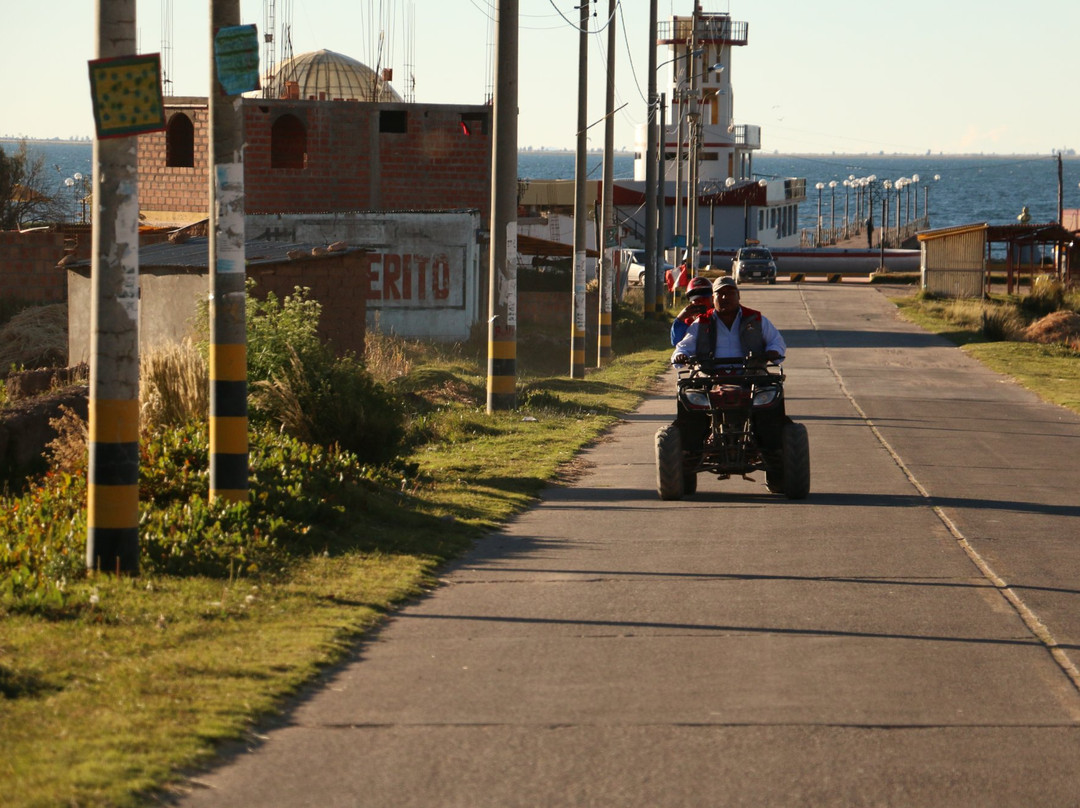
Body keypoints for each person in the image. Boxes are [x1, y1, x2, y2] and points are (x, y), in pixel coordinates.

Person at [670, 276, 787, 461]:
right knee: (689, 403)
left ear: (738, 295)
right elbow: (683, 346)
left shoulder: (756, 319)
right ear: (713, 298)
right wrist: (680, 356)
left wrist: (773, 352)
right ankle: (688, 451)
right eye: (720, 294)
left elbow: (776, 342)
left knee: (771, 405)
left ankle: (775, 451)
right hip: (710, 378)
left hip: (751, 377)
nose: (725, 298)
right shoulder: (701, 322)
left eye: (730, 293)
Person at [670, 276, 713, 346]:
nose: (700, 303)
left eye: (704, 299)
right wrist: (680, 319)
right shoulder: (688, 321)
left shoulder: (719, 315)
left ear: (713, 298)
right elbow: (676, 342)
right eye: (696, 300)